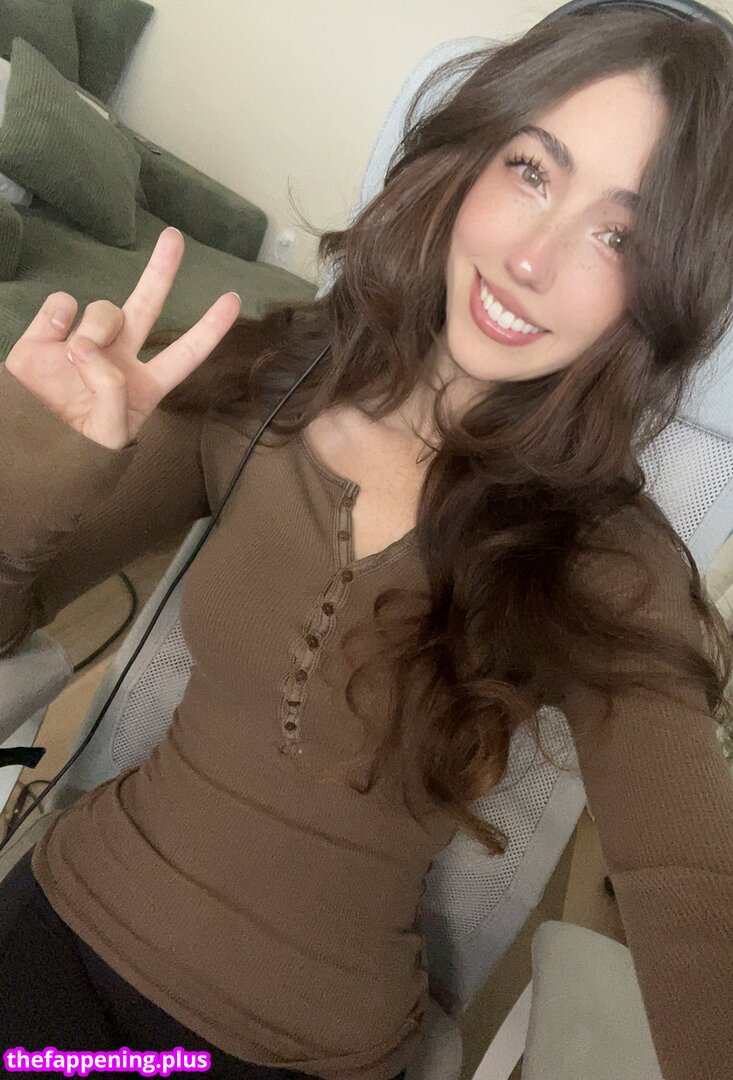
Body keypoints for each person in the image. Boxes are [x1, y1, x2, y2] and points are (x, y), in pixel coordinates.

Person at [1, 7, 732, 1080]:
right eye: (532, 171)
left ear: (662, 288)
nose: (530, 259)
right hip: (66, 929)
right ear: (469, 158)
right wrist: (33, 457)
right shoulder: (268, 380)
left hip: (301, 1048)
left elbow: (691, 885)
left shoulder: (608, 560)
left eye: (617, 236)